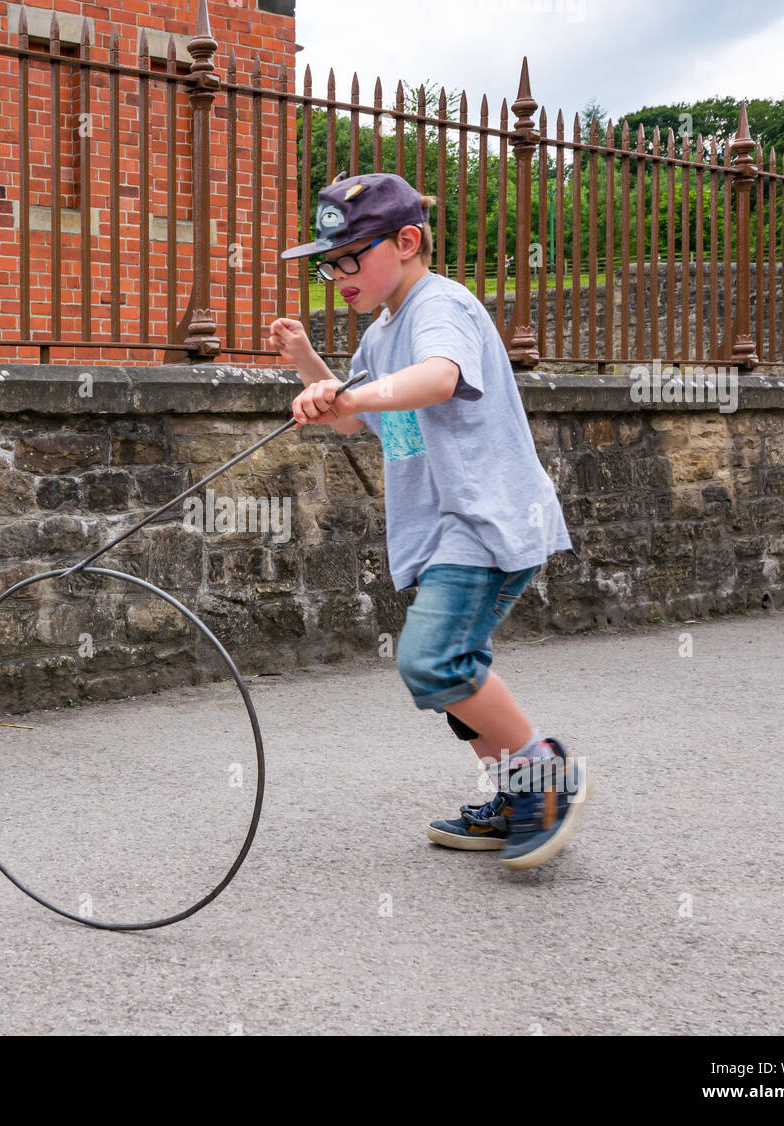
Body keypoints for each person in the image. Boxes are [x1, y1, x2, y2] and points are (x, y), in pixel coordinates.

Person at [267, 170, 586, 870]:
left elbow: (440, 378)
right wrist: (310, 369)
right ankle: (515, 796)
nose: (335, 274)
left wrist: (348, 391)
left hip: (485, 519)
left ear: (406, 241)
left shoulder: (441, 306)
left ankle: (544, 775)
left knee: (432, 661)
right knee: (455, 678)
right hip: (443, 528)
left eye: (351, 255)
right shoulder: (381, 336)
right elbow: (358, 418)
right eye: (327, 262)